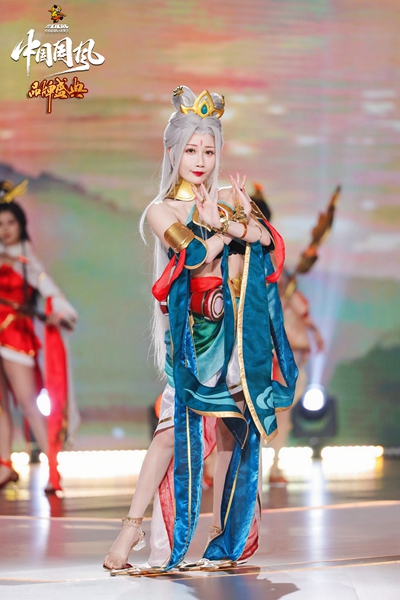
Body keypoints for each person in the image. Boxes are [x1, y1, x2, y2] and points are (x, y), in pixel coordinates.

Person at [103, 86, 297, 574]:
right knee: (170, 434)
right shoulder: (160, 209)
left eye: (209, 151)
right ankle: (130, 530)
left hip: (236, 337)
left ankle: (222, 540)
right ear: (172, 152)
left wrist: (231, 223)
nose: (201, 161)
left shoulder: (230, 197)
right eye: (191, 150)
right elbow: (190, 255)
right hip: (194, 339)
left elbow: (268, 241)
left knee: (234, 432)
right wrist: (219, 229)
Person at [0, 181, 79, 493]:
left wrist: (62, 313)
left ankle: (53, 469)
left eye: (10, 223)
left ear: (21, 225)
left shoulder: (25, 257)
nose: (5, 229)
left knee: (28, 404)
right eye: (0, 224)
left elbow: (49, 290)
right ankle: (5, 465)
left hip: (15, 336)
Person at [249, 186, 324, 485]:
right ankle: (227, 468)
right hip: (248, 345)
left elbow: (293, 302)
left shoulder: (273, 257)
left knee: (281, 410)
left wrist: (310, 329)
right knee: (242, 410)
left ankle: (275, 466)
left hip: (278, 350)